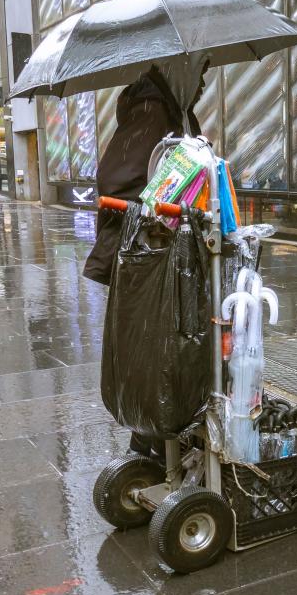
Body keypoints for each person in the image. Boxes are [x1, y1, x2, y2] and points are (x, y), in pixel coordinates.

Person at [84, 66, 205, 457]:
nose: (202, 81)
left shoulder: (174, 110)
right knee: (157, 346)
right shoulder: (152, 109)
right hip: (147, 257)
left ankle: (156, 440)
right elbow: (117, 180)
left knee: (164, 346)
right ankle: (149, 442)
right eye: (199, 70)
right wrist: (160, 215)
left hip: (163, 252)